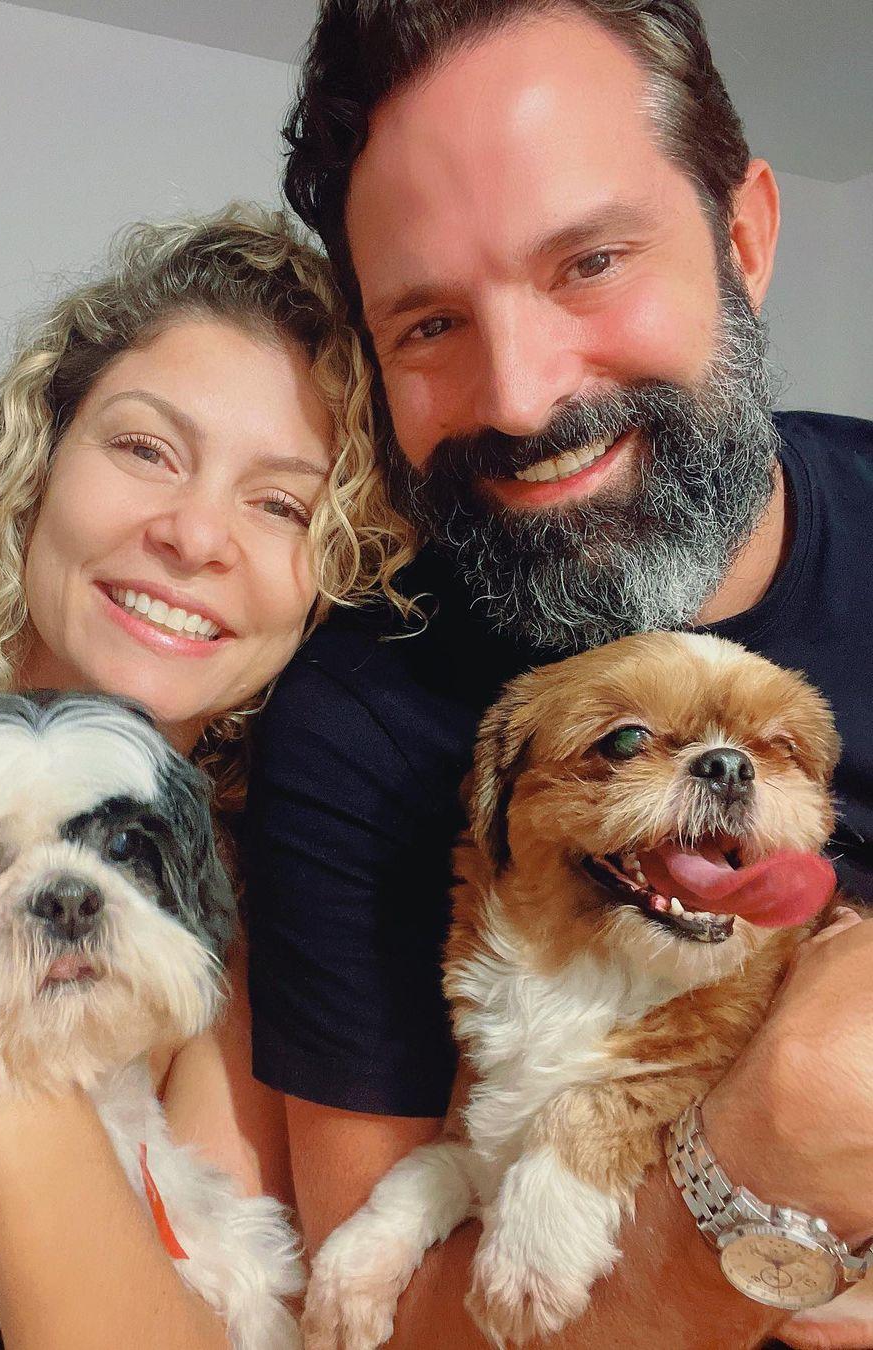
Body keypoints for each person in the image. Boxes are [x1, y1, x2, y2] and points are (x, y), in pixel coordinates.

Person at [243, 3, 873, 1347]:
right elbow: (398, 1329)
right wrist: (771, 1152)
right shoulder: (357, 718)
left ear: (745, 237)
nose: (521, 398)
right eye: (426, 323)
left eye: (588, 260)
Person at [0, 205, 415, 1349]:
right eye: (145, 448)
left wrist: (6, 1128)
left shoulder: (260, 916)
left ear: (333, 579)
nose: (194, 534)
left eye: (280, 503)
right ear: (38, 458)